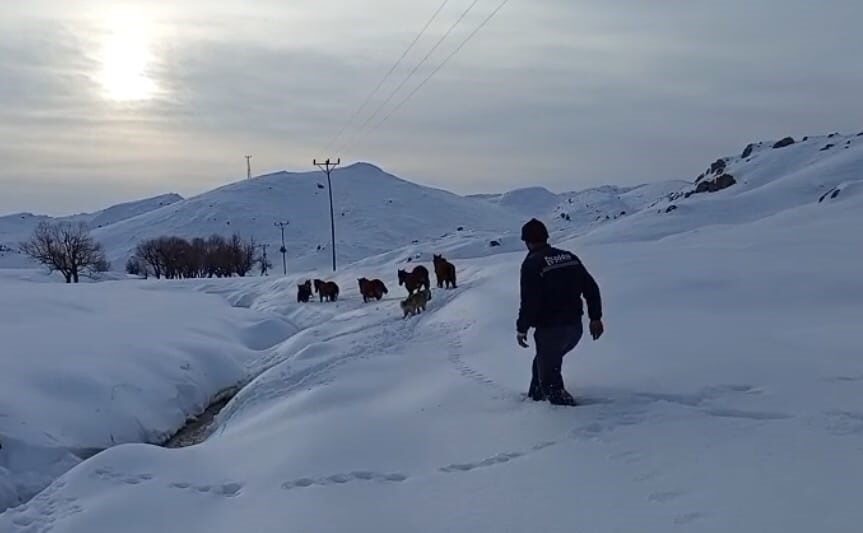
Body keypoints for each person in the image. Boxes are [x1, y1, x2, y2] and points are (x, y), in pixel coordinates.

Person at [516, 218, 604, 406]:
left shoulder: (532, 263)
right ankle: (535, 400)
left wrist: (521, 328)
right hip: (574, 328)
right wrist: (595, 318)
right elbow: (591, 288)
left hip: (551, 329)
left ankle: (565, 422)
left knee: (552, 383)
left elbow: (529, 301)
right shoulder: (569, 257)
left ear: (527, 241)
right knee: (543, 363)